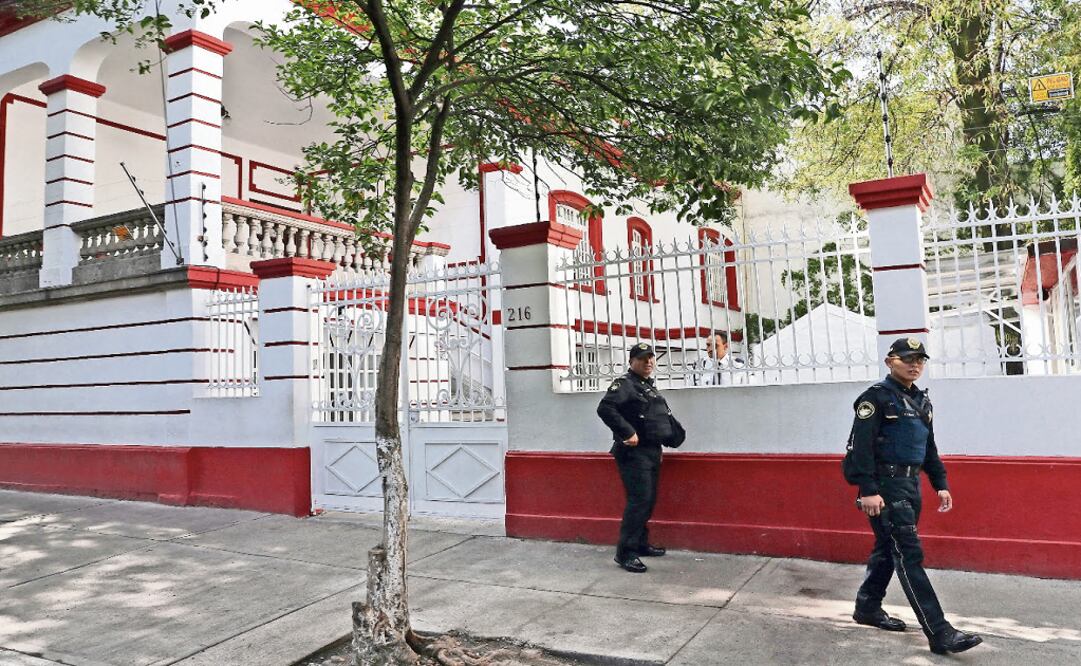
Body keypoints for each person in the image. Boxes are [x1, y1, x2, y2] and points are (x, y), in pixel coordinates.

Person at [846, 337, 983, 655]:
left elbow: (928, 449)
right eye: (907, 358)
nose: (915, 364)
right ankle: (940, 631)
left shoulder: (922, 402)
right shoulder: (875, 399)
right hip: (886, 487)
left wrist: (940, 483)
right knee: (908, 554)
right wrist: (867, 489)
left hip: (911, 486)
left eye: (920, 359)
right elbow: (858, 449)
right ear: (890, 362)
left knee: (887, 548)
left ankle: (867, 607)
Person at [597, 342, 685, 573]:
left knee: (648, 500)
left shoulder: (646, 386)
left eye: (651, 358)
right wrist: (628, 432)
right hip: (632, 453)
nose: (648, 362)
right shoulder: (625, 384)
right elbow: (605, 408)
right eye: (642, 359)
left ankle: (640, 543)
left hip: (651, 452)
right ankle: (625, 553)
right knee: (639, 502)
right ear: (631, 362)